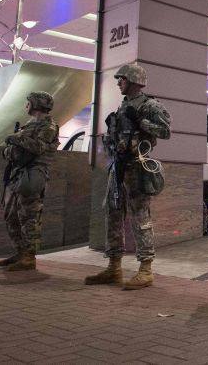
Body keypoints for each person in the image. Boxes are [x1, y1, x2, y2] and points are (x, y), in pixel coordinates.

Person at [85, 63, 171, 290]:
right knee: (112, 214)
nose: (118, 83)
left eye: (121, 79)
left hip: (137, 168)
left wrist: (140, 121)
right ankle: (114, 267)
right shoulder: (124, 105)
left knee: (140, 217)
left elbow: (165, 132)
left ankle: (146, 270)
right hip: (118, 167)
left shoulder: (150, 105)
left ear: (133, 80)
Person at [0, 91, 60, 272]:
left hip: (33, 174)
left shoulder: (48, 126)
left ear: (36, 104)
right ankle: (21, 251)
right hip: (17, 173)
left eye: (29, 102)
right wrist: (12, 147)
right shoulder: (28, 125)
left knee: (29, 216)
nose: (26, 105)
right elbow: (9, 151)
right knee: (11, 215)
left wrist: (16, 138)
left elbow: (39, 147)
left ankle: (29, 257)